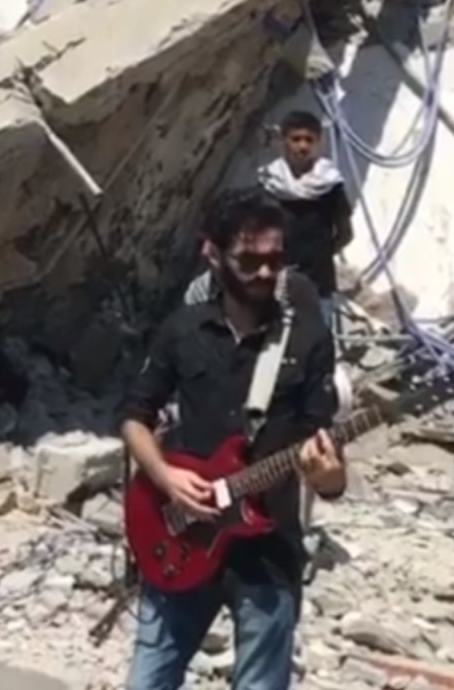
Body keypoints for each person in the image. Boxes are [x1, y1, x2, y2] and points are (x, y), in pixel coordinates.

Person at [122, 189, 346, 690]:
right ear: (213, 254)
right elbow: (135, 418)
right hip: (179, 536)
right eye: (249, 261)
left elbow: (326, 449)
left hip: (267, 551)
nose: (266, 273)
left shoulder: (308, 338)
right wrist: (166, 477)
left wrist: (329, 480)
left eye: (274, 260)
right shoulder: (182, 331)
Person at [259, 110, 353, 328]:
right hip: (273, 286)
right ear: (283, 141)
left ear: (318, 143)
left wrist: (317, 256)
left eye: (309, 140)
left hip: (318, 285)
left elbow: (345, 233)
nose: (302, 146)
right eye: (296, 139)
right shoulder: (269, 184)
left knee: (316, 349)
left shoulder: (330, 186)